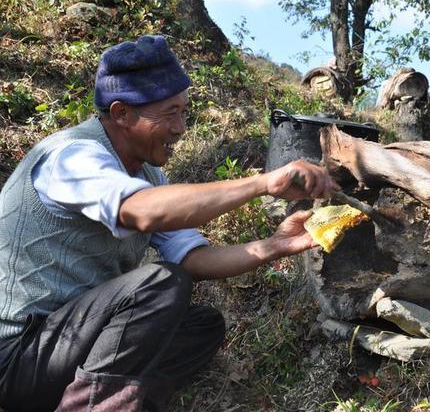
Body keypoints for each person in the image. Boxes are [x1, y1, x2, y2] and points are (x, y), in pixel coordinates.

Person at [0, 35, 333, 412]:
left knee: (201, 328)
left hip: (66, 345)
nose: (180, 128)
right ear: (122, 113)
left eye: (184, 112)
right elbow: (141, 211)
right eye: (169, 113)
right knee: (161, 283)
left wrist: (278, 245)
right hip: (17, 357)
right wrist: (261, 184)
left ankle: (99, 400)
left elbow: (194, 259)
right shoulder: (72, 158)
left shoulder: (147, 178)